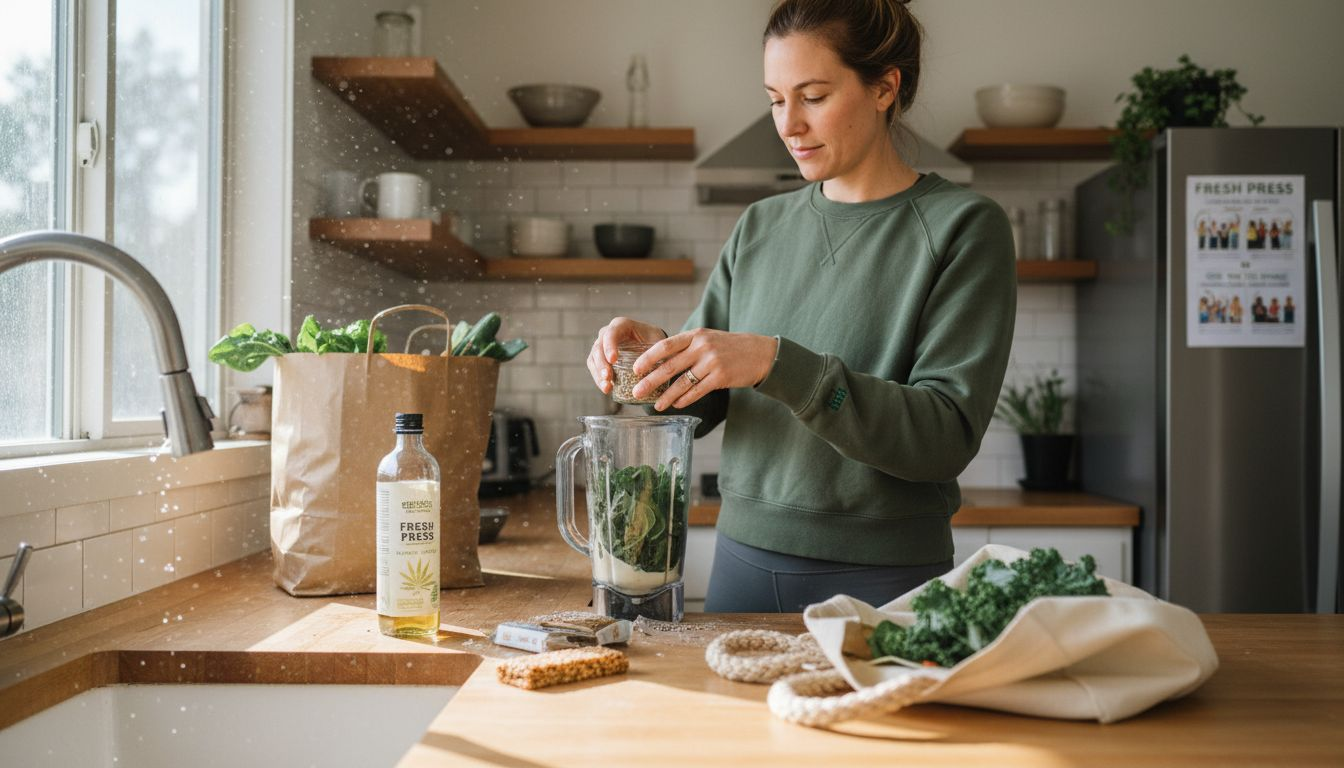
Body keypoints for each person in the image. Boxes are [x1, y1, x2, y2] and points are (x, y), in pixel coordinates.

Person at [585, 0, 1016, 612]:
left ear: (884, 88)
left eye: (813, 95)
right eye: (775, 98)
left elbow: (945, 436)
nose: (788, 124)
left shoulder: (963, 228)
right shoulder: (759, 225)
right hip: (739, 562)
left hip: (884, 578)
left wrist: (775, 363)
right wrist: (649, 358)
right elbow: (699, 409)